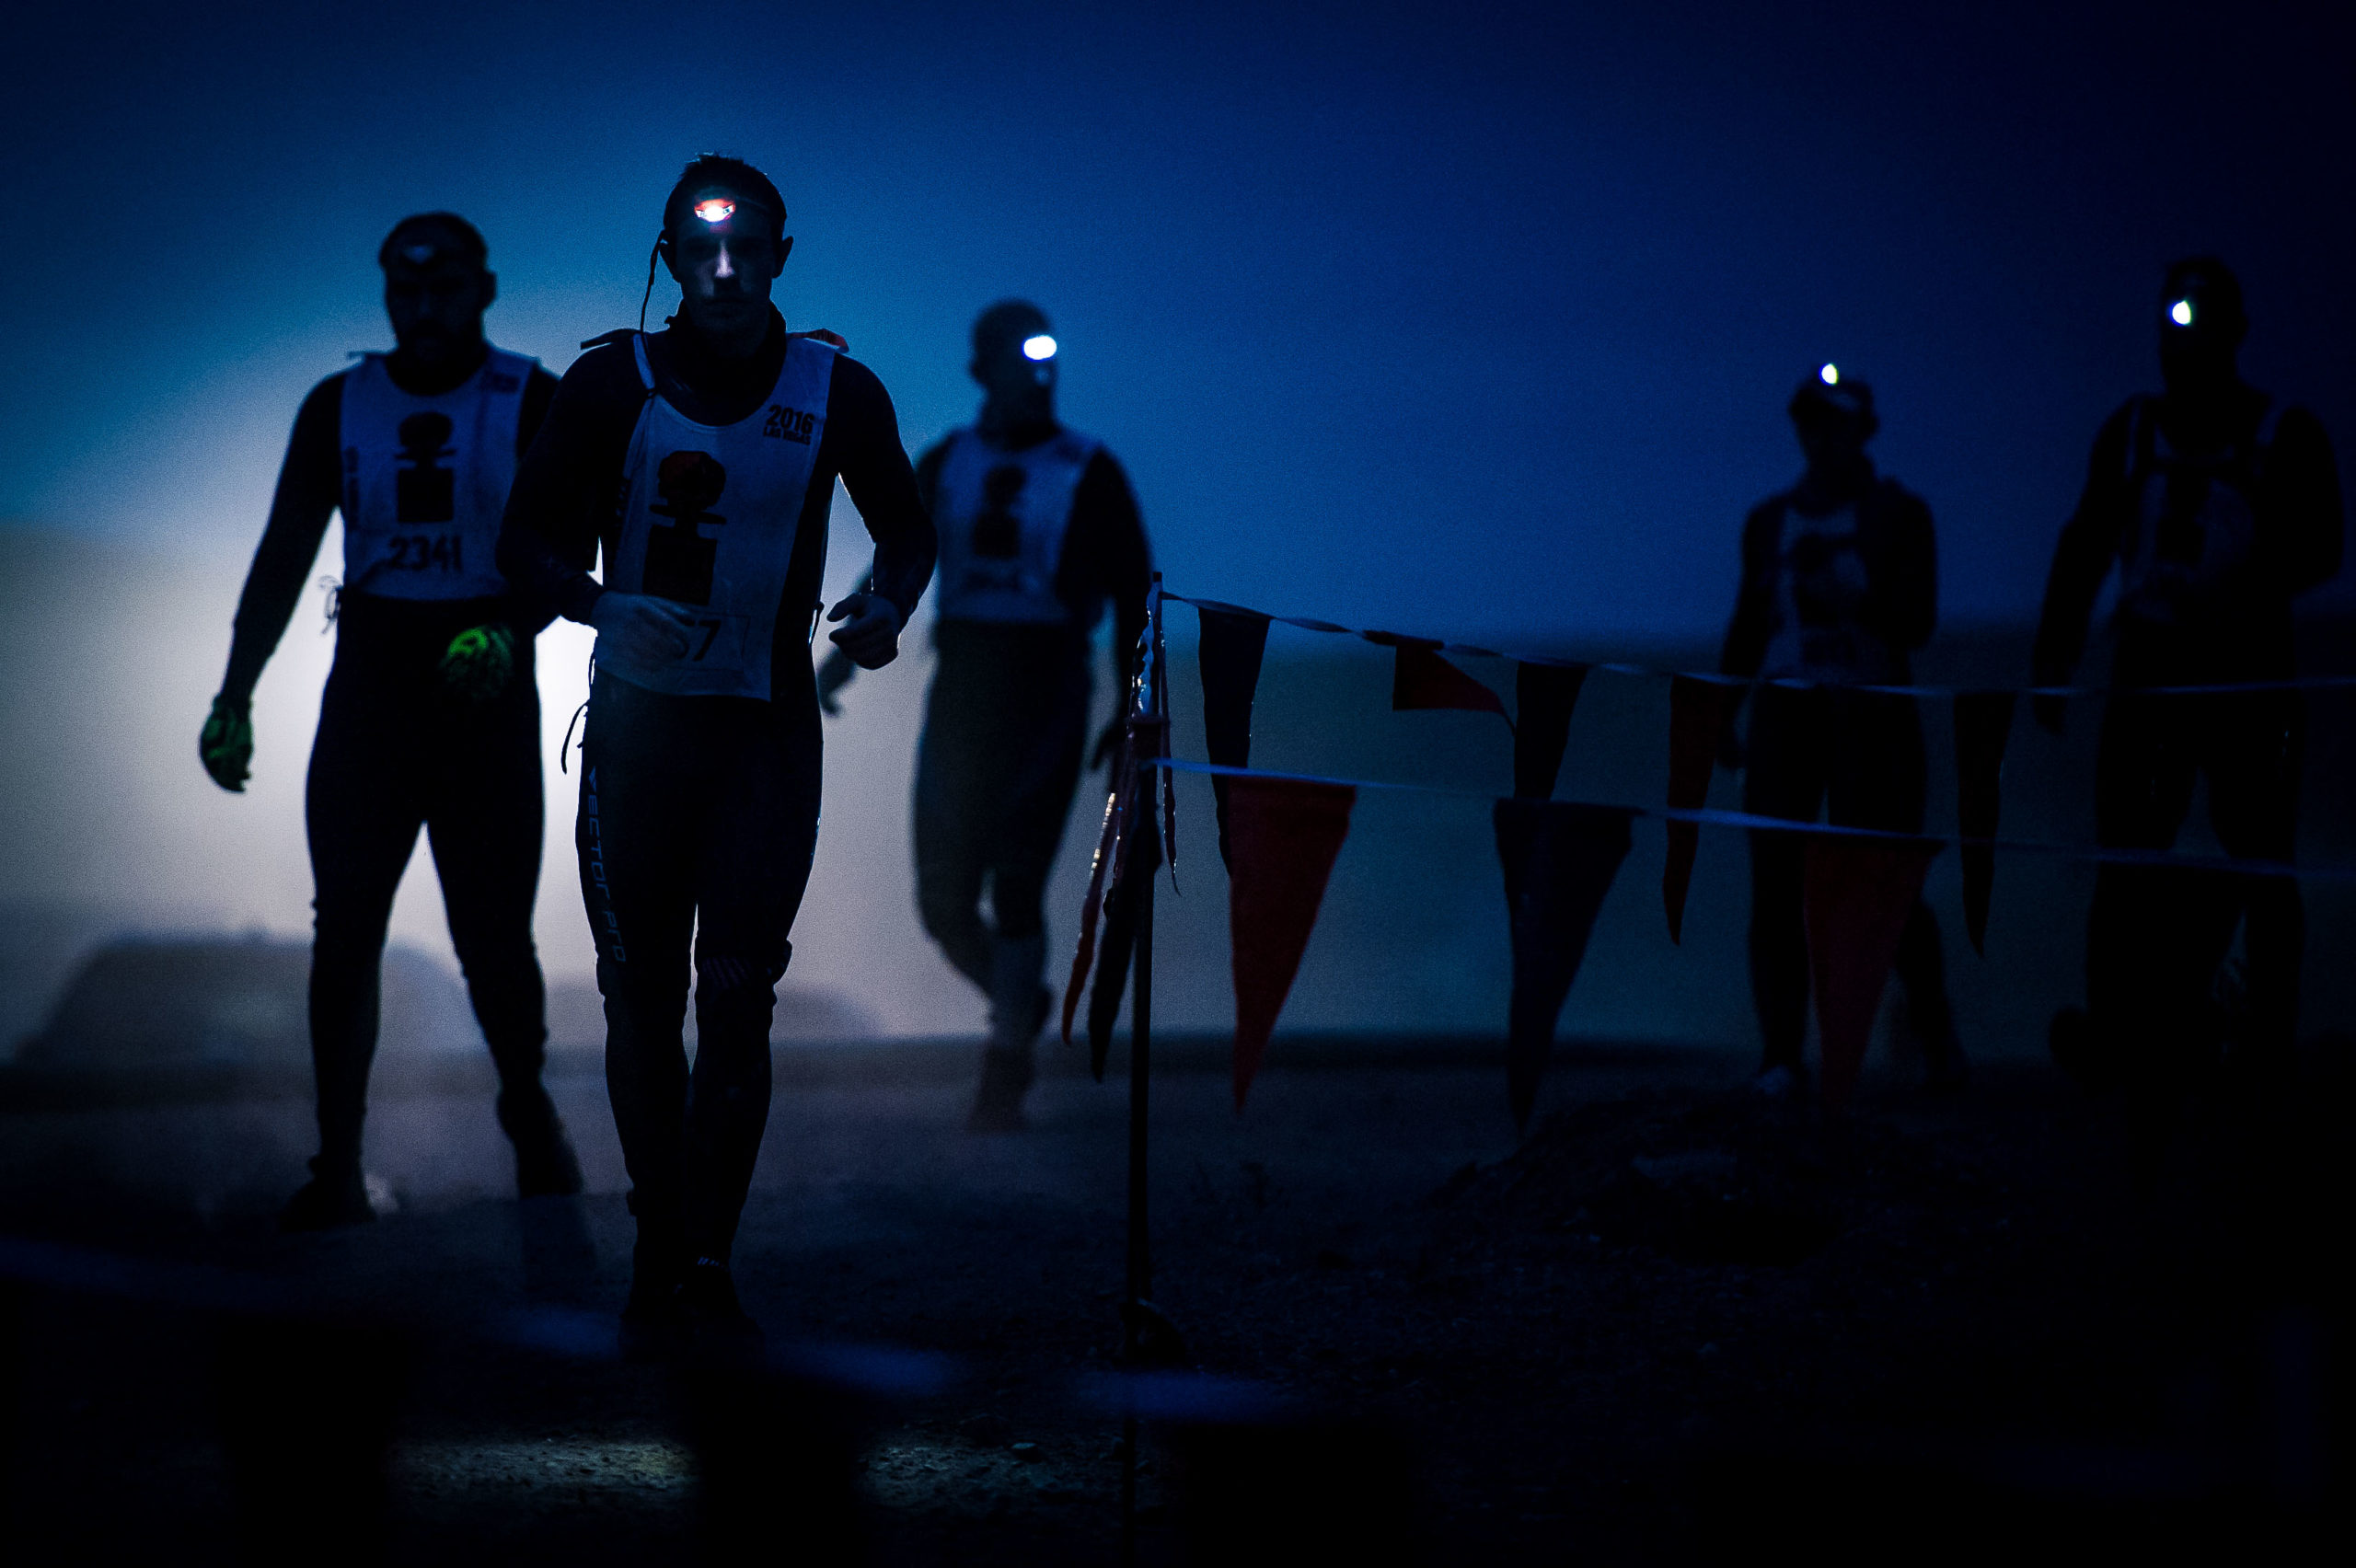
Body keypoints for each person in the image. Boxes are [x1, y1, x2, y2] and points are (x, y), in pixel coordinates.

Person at [498, 156, 935, 1348]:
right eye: (705, 253)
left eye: (749, 252)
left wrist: (888, 608)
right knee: (639, 996)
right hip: (638, 734)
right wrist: (596, 606)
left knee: (738, 997)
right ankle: (656, 1241)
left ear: (783, 258)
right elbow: (521, 546)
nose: (728, 273)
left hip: (762, 734)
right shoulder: (608, 383)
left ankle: (704, 1260)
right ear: (672, 261)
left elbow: (907, 532)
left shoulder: (839, 390)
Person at [200, 213, 580, 1231]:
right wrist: (235, 691)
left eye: (443, 288)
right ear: (383, 296)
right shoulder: (341, 403)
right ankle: (338, 1159)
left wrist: (509, 626)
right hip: (372, 686)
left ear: (484, 290)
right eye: (403, 292)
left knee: (493, 937)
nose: (422, 310)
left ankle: (526, 1104)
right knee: (345, 930)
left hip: (484, 692)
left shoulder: (529, 396)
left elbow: (572, 540)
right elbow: (284, 549)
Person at [819, 301, 1150, 1131]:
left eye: (1048, 361)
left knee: (1018, 883)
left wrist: (1134, 710)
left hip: (1049, 685)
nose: (1036, 376)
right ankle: (1020, 1001)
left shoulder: (1090, 468)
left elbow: (1134, 594)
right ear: (983, 370)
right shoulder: (947, 462)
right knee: (941, 899)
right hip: (963, 682)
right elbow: (898, 560)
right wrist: (833, 668)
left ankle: (1005, 1067)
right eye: (1019, 360)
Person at [2035, 258, 2343, 1100]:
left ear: (2234, 334)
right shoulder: (2133, 433)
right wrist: (2055, 654)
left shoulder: (2284, 432)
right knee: (2127, 852)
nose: (2185, 347)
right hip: (2153, 668)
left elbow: (2324, 544)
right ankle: (2118, 1030)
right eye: (2174, 327)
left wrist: (2239, 585)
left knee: (2264, 857)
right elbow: (2089, 537)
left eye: (2200, 326)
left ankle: (2267, 1042)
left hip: (2247, 674)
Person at [1718, 366, 1966, 1099]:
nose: (1818, 437)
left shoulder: (1900, 515)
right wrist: (1725, 712)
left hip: (1872, 713)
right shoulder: (1768, 523)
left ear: (1861, 431)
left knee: (1883, 881)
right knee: (1776, 887)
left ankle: (1930, 1031)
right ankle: (1781, 1056)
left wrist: (1858, 599)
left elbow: (1916, 621)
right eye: (1809, 422)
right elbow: (1746, 626)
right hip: (1787, 712)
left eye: (1833, 422)